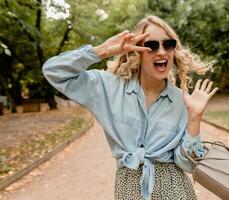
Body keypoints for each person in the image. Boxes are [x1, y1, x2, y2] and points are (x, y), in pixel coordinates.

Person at [42, 15, 218, 200]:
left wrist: (195, 117)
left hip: (175, 191)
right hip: (128, 190)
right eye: (151, 45)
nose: (161, 52)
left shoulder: (182, 101)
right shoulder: (108, 87)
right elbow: (54, 72)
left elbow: (187, 165)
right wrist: (102, 50)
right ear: (137, 51)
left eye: (168, 44)